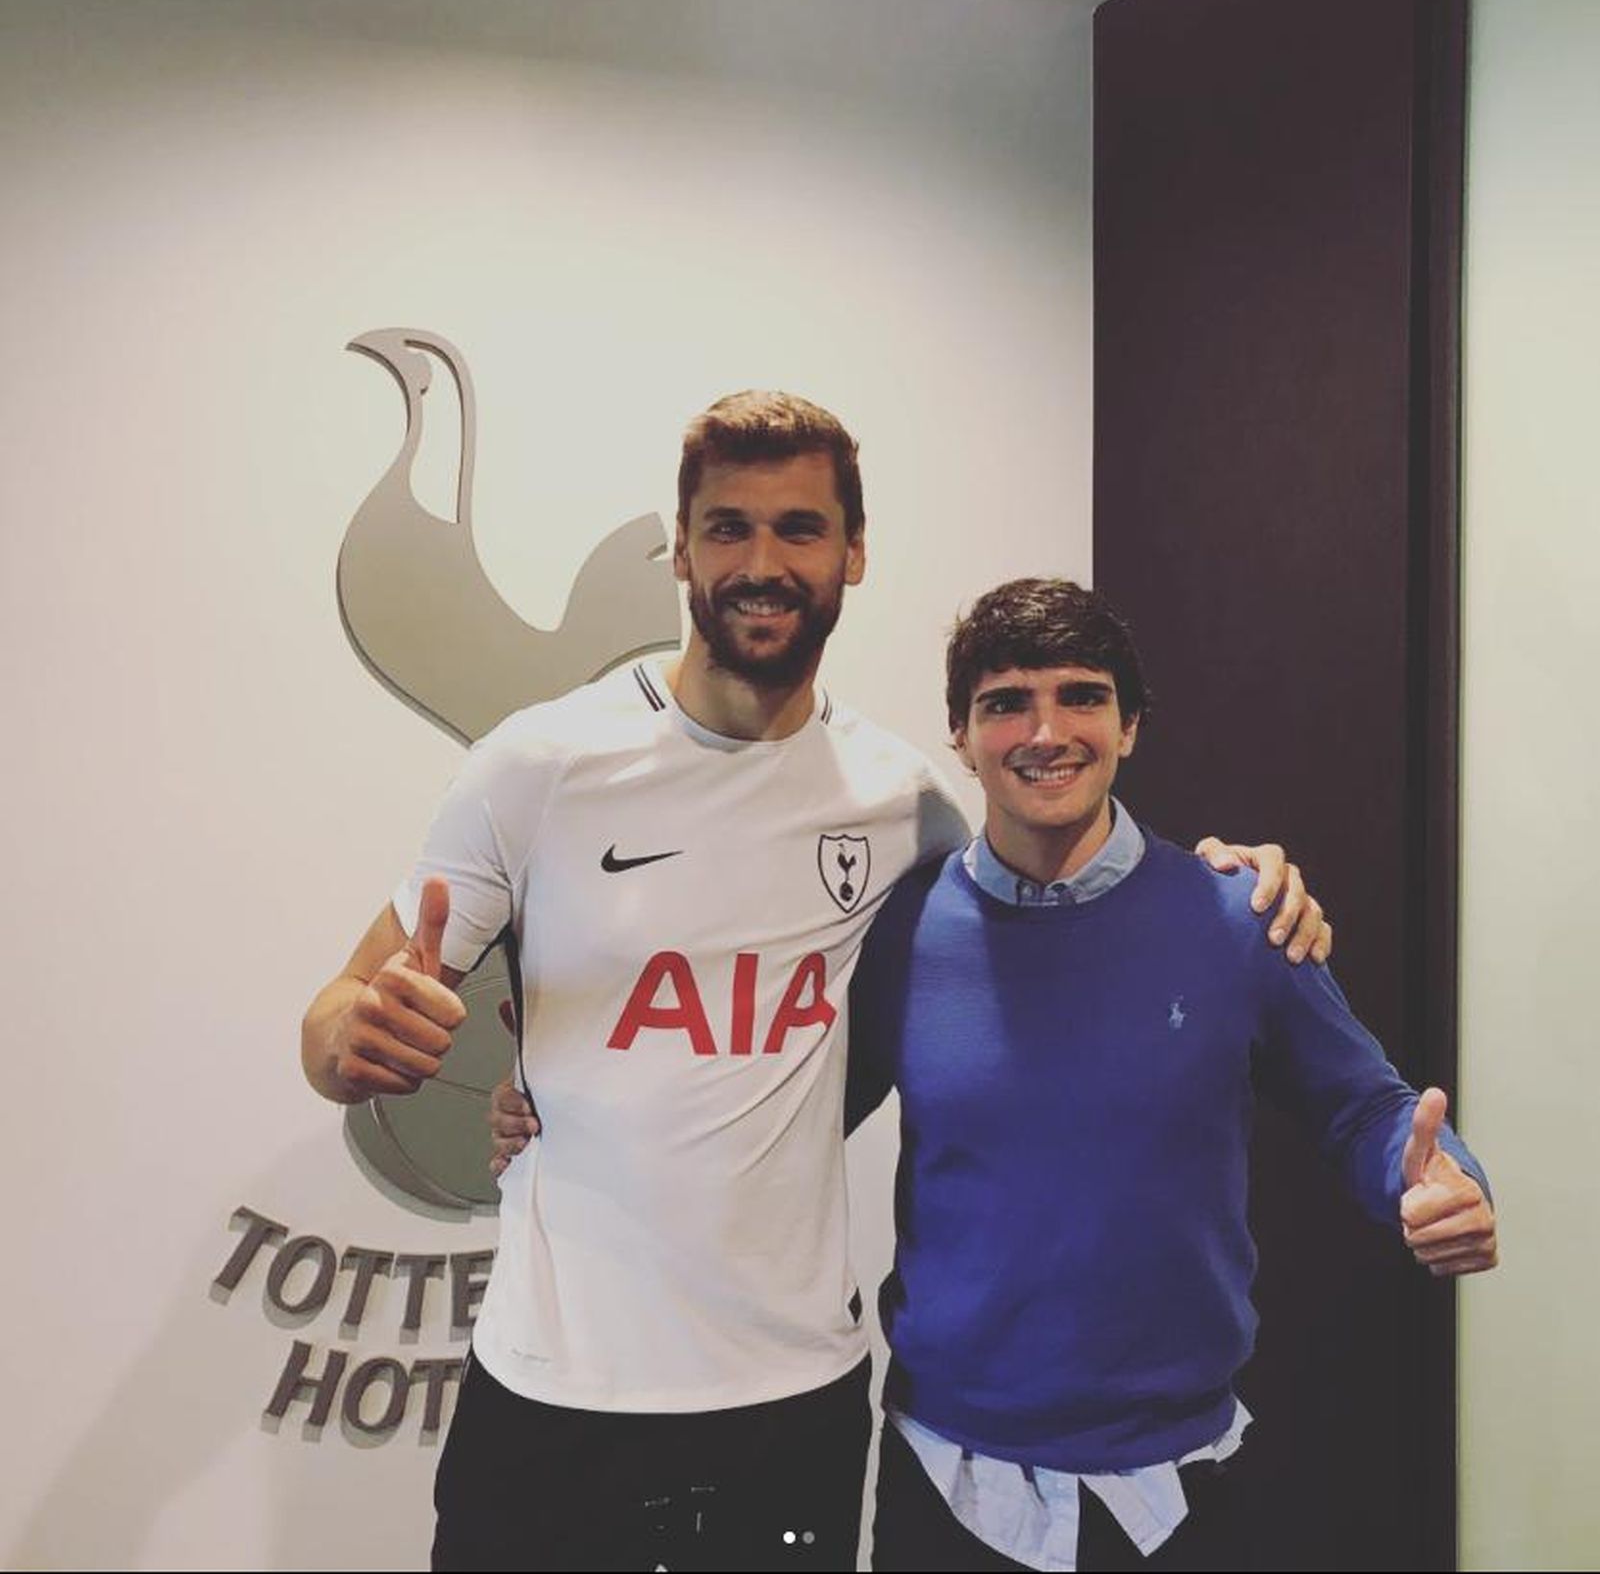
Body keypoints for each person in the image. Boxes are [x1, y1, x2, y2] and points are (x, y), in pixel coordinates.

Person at [305, 394, 1328, 1572]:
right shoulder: (536, 766)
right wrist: (357, 1040)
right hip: (553, 1393)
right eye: (727, 528)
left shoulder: (902, 805)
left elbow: (1065, 912)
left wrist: (1234, 889)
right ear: (679, 550)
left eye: (798, 528)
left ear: (852, 551)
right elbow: (333, 1020)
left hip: (789, 1402)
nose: (761, 562)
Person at [833, 577, 1497, 1572]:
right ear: (961, 737)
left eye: (1081, 695)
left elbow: (1367, 1106)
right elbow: (782, 1115)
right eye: (1005, 701)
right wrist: (550, 1111)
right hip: (946, 1479)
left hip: (1176, 1487)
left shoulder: (1236, 919)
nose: (1043, 730)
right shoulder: (899, 931)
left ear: (1130, 725)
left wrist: (1435, 1173)